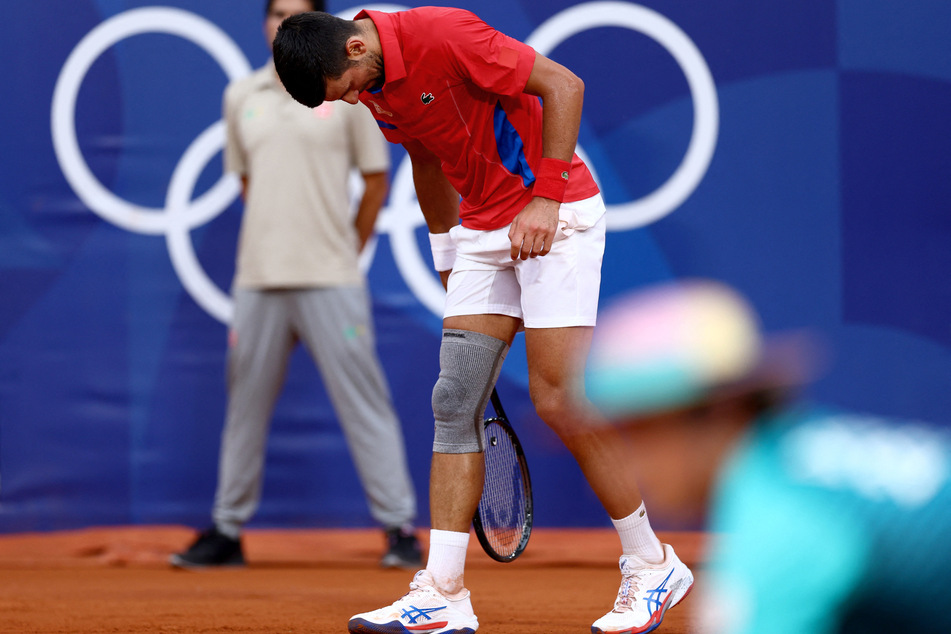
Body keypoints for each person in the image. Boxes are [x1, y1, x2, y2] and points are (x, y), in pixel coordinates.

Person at [271, 8, 693, 634]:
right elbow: (424, 156)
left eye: (352, 87)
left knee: (559, 400)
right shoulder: (377, 83)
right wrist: (447, 254)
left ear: (357, 46)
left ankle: (652, 561)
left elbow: (564, 85)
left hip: (558, 216)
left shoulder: (444, 35)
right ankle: (443, 593)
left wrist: (546, 198)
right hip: (481, 231)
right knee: (455, 399)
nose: (358, 101)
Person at [170, 0, 421, 571]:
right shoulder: (241, 96)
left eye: (295, 13)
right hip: (257, 280)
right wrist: (273, 238)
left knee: (366, 404)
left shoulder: (349, 94)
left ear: (319, 24)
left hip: (332, 278)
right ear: (262, 22)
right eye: (274, 12)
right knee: (244, 407)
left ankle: (399, 529)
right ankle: (227, 531)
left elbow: (377, 181)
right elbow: (247, 182)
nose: (281, 22)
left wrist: (345, 252)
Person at [583, 279, 951, 634]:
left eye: (644, 432)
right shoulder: (792, 454)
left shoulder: (775, 534)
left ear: (719, 414)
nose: (631, 462)